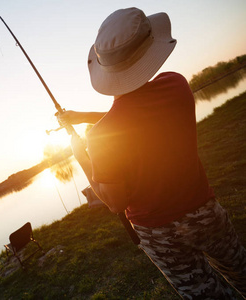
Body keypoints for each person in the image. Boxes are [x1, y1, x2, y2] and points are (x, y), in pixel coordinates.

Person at [58, 7, 246, 299]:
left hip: (159, 233)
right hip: (205, 212)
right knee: (240, 268)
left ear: (105, 68)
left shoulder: (100, 138)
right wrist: (84, 117)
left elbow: (114, 202)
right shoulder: (176, 84)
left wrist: (81, 155)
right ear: (149, 50)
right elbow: (136, 115)